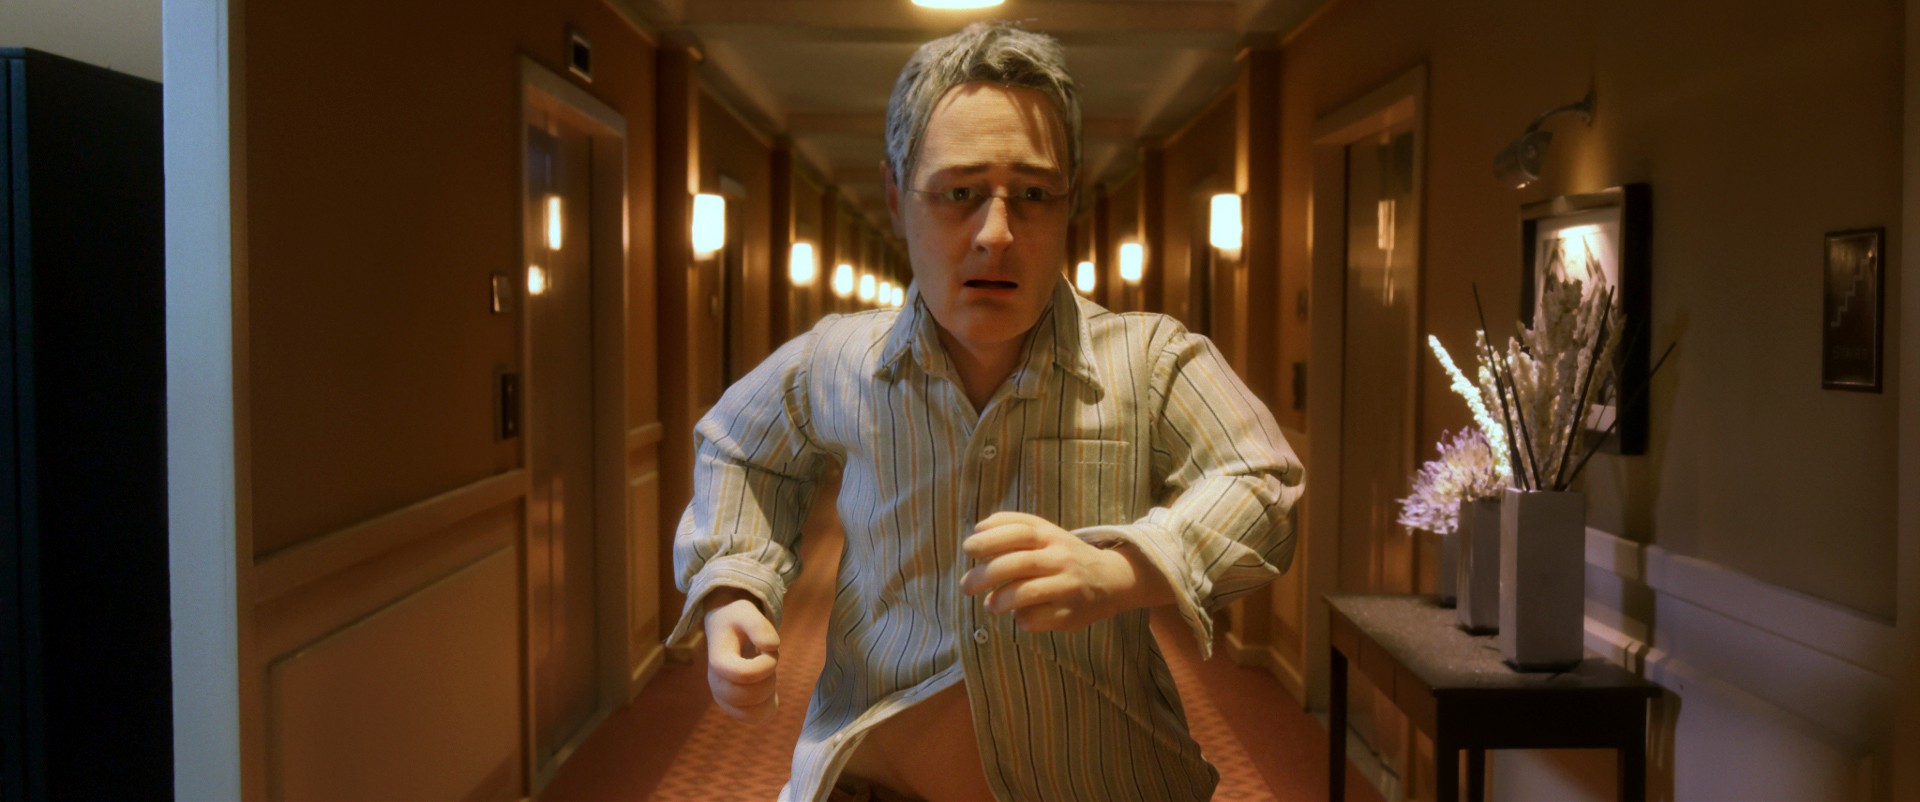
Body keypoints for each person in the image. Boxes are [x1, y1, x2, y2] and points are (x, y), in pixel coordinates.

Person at [668, 21, 1303, 802]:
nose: (996, 235)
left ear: (1069, 200)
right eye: (960, 194)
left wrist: (1119, 570)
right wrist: (734, 587)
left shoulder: (1152, 360)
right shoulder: (837, 359)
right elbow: (739, 447)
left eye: (1032, 195)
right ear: (897, 198)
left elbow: (1263, 481)